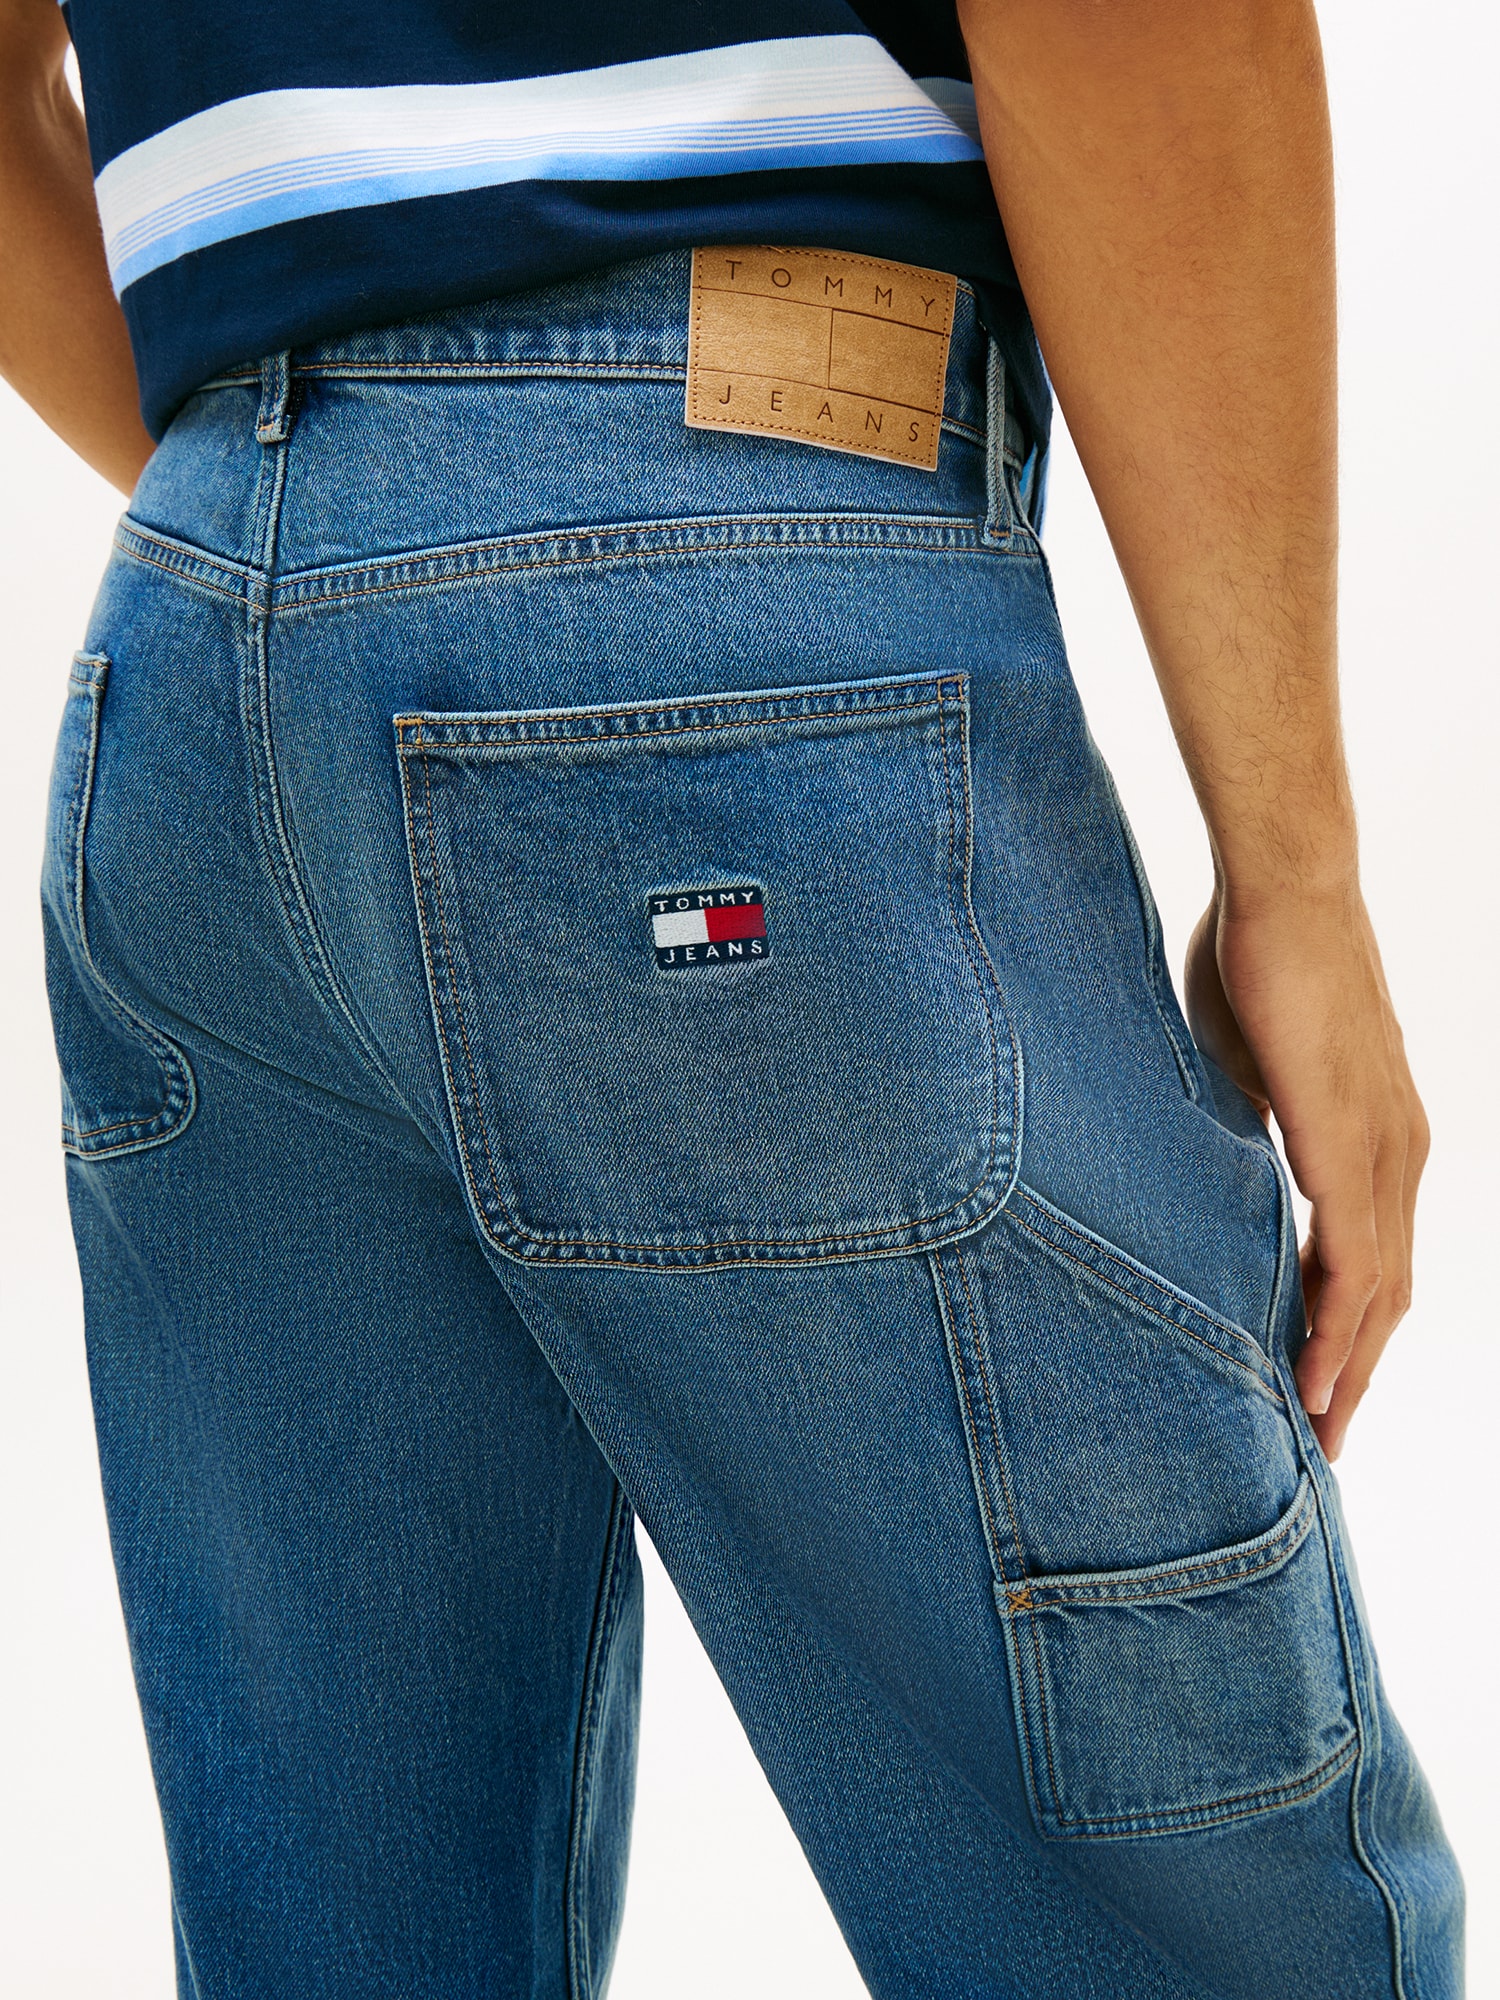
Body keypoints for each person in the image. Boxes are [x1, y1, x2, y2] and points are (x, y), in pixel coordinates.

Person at [0, 0, 1464, 1994]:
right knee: (1207, 1931)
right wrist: (1298, 876)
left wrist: (350, 537)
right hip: (722, 564)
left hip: (186, 686)